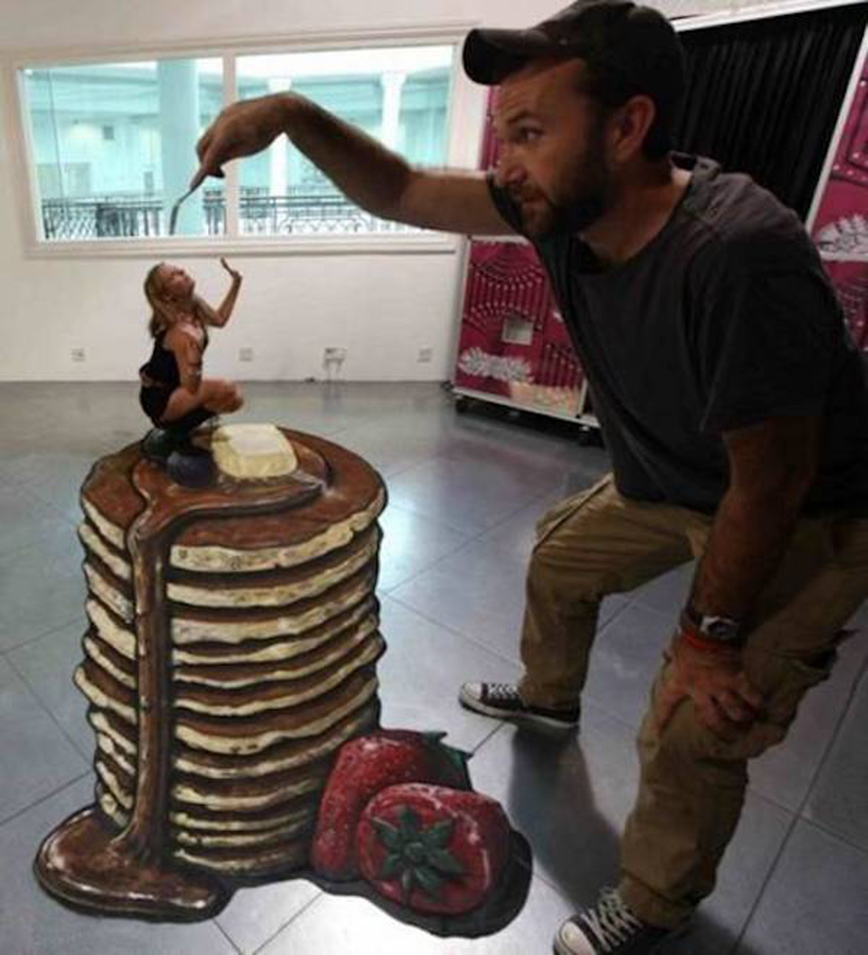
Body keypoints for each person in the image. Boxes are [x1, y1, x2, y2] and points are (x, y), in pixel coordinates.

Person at [192, 2, 868, 952]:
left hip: (806, 516)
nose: (506, 164)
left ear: (628, 128)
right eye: (504, 134)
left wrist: (708, 641)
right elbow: (403, 189)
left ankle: (657, 900)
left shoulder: (739, 256)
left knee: (694, 723)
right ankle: (550, 696)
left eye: (532, 133)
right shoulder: (559, 207)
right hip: (676, 482)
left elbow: (771, 482)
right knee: (559, 557)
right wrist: (293, 114)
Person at [139, 258, 244, 451]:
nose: (182, 271)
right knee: (226, 390)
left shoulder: (194, 303)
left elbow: (220, 320)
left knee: (234, 400)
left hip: (176, 388)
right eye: (173, 276)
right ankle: (176, 434)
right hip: (160, 397)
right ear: (167, 296)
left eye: (178, 270)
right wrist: (194, 359)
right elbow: (191, 386)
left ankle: (184, 431)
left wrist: (236, 283)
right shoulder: (179, 332)